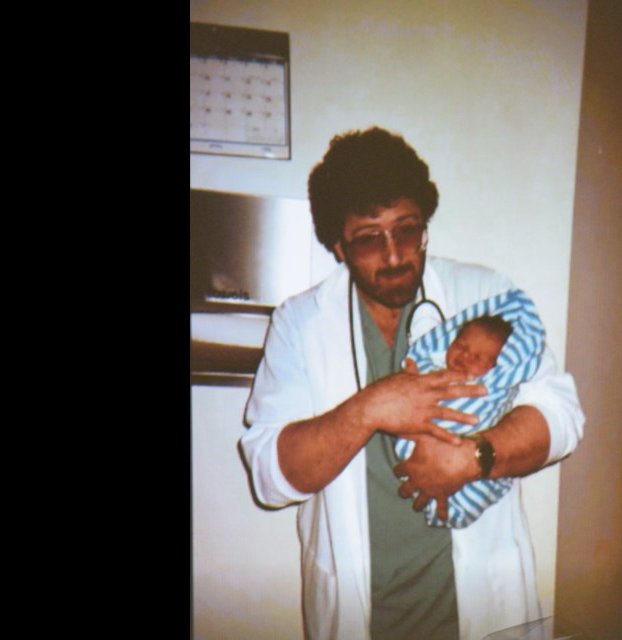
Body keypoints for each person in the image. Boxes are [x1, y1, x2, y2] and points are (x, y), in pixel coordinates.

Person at [240, 126, 584, 640]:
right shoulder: (300, 323)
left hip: (481, 609)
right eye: (368, 239)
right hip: (363, 619)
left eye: (407, 230)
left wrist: (473, 458)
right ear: (337, 245)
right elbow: (270, 476)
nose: (396, 255)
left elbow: (561, 415)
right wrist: (371, 407)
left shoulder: (485, 294)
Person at [395, 294, 546, 529]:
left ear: (499, 366)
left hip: (470, 478)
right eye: (461, 346)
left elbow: (558, 423)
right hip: (415, 461)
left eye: (477, 357)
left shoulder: (493, 389)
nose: (465, 356)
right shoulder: (430, 370)